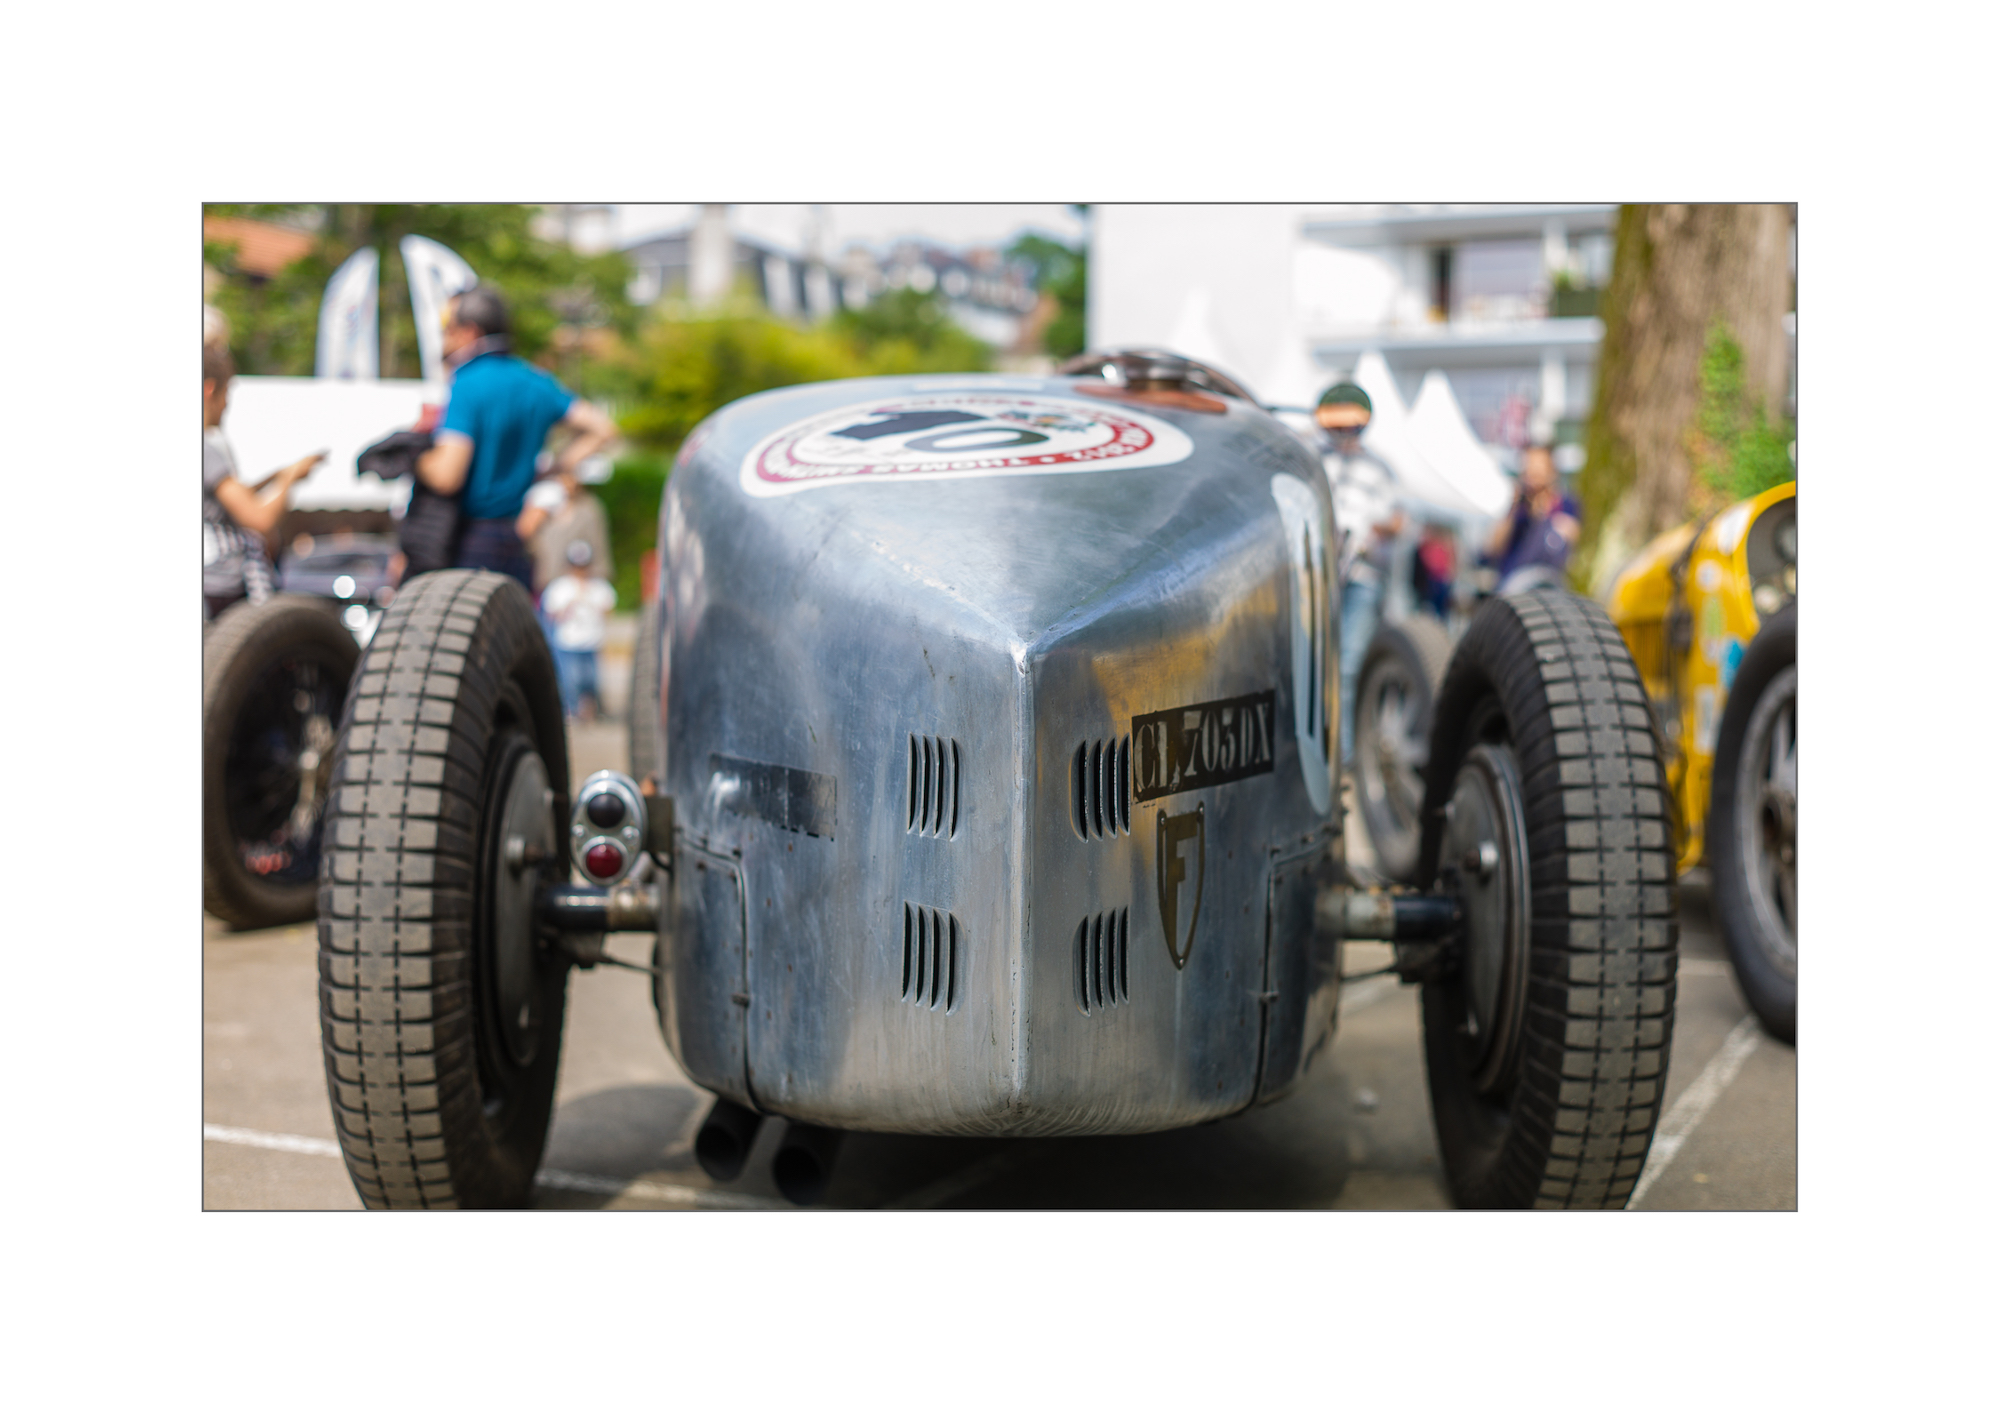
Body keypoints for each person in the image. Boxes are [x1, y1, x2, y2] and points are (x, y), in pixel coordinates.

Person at [415, 285, 616, 592]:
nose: (445, 339)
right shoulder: (535, 381)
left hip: (470, 541)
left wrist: (415, 458)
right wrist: (556, 469)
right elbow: (603, 428)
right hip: (518, 539)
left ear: (470, 331)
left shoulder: (467, 382)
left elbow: (447, 477)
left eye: (449, 330)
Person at [203, 342, 325, 619]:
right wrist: (291, 479)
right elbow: (260, 520)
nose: (227, 404)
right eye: (227, 393)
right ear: (210, 389)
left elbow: (231, 498)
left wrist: (276, 477)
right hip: (222, 587)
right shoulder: (207, 451)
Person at [1316, 382, 1404, 766]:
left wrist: (1373, 532)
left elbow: (1397, 520)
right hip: (1320, 575)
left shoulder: (1379, 467)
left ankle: (1345, 759)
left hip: (1363, 576)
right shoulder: (1315, 459)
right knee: (1317, 663)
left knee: (1349, 665)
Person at [1485, 443, 1582, 593]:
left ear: (1552, 470)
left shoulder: (1565, 505)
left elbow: (1573, 537)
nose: (1533, 472)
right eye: (1529, 465)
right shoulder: (1519, 506)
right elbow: (1493, 548)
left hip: (1547, 586)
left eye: (1538, 466)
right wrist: (1514, 508)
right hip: (1512, 586)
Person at [541, 540, 617, 721]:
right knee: (570, 680)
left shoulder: (598, 586)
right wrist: (570, 605)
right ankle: (571, 711)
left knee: (591, 680)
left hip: (592, 641)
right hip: (568, 641)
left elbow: (609, 609)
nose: (580, 570)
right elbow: (551, 615)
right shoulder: (559, 587)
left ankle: (591, 711)